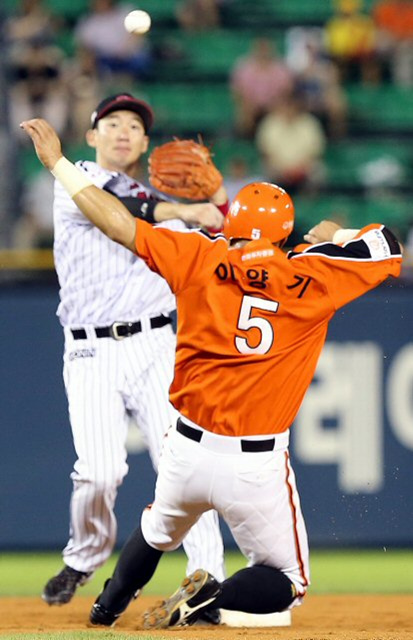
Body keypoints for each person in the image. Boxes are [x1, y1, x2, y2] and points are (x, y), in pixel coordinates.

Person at [21, 117, 403, 629]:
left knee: (156, 528)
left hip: (186, 450)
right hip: (255, 465)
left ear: (233, 222)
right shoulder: (315, 276)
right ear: (285, 232)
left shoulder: (198, 256)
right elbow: (389, 245)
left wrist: (59, 165)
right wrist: (340, 234)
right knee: (289, 582)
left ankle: (104, 609)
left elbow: (116, 223)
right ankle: (212, 596)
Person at [29, 94, 227, 613]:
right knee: (99, 472)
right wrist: (187, 209)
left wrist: (220, 203)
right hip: (92, 351)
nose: (122, 130)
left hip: (158, 345)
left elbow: (226, 235)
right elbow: (126, 209)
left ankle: (208, 582)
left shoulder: (171, 205)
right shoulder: (75, 181)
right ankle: (85, 555)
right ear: (92, 137)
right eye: (110, 122)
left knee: (185, 466)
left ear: (145, 143)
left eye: (134, 125)